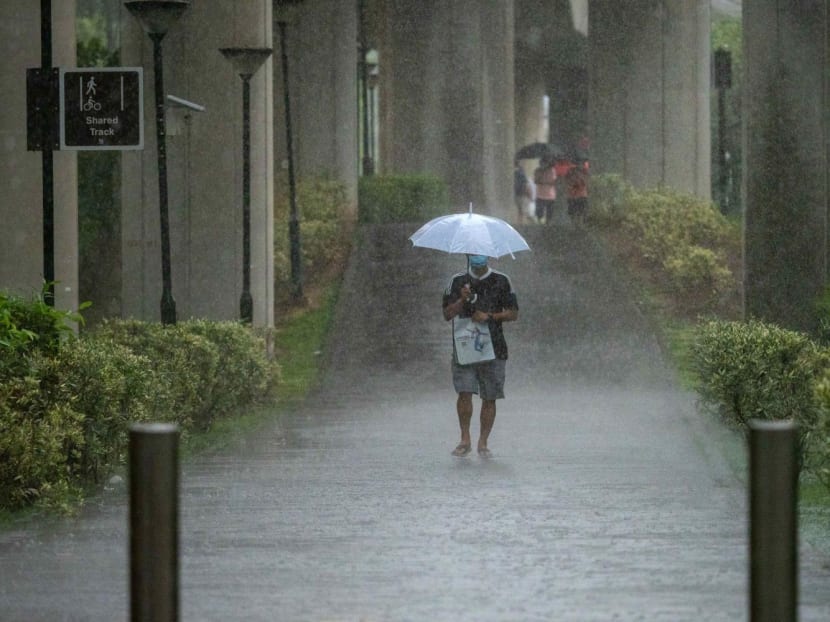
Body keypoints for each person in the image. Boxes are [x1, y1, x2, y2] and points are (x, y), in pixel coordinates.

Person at [442, 254, 519, 457]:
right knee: (464, 392)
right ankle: (464, 438)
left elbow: (513, 313)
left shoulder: (502, 280)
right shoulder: (456, 281)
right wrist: (462, 300)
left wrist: (490, 316)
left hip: (495, 348)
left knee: (489, 396)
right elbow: (447, 314)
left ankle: (483, 442)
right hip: (464, 346)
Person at [564, 160, 589, 226]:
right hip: (574, 196)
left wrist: (576, 184)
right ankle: (576, 225)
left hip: (579, 195)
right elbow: (568, 183)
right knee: (575, 212)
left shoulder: (583, 171)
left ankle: (579, 224)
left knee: (581, 212)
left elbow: (584, 183)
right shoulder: (570, 172)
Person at [533, 156, 557, 224]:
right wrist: (541, 174)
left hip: (550, 195)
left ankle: (548, 223)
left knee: (550, 212)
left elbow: (553, 181)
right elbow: (536, 180)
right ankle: (539, 221)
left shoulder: (552, 170)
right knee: (539, 211)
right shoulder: (537, 170)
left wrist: (546, 182)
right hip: (540, 194)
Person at [513, 160, 535, 224]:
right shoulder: (521, 173)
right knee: (524, 210)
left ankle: (520, 222)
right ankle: (525, 223)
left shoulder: (514, 173)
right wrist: (529, 193)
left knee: (521, 210)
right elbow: (526, 185)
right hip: (522, 194)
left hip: (517, 193)